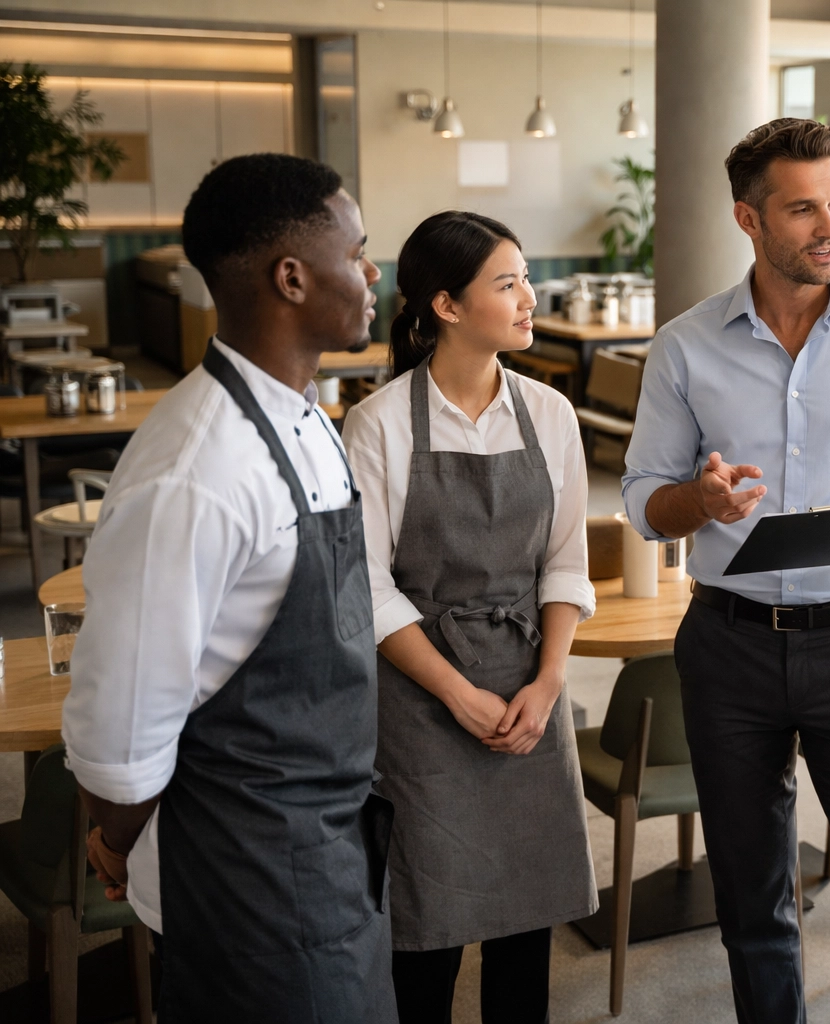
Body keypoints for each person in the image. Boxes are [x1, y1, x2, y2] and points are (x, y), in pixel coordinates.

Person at [621, 117, 830, 1023]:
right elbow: (645, 497)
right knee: (752, 907)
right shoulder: (686, 346)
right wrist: (699, 502)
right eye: (803, 208)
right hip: (727, 649)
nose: (829, 227)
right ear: (749, 218)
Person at [61, 153, 397, 1021]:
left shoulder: (308, 417)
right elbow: (123, 719)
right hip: (242, 879)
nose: (371, 273)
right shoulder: (196, 468)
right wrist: (116, 840)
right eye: (356, 252)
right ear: (290, 276)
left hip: (328, 844)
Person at [342, 211, 597, 1024]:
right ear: (446, 306)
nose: (529, 297)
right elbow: (369, 590)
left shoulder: (550, 415)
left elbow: (564, 563)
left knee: (527, 940)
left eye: (526, 278)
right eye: (508, 282)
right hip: (422, 705)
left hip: (531, 694)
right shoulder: (378, 423)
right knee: (427, 937)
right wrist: (457, 693)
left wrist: (550, 682)